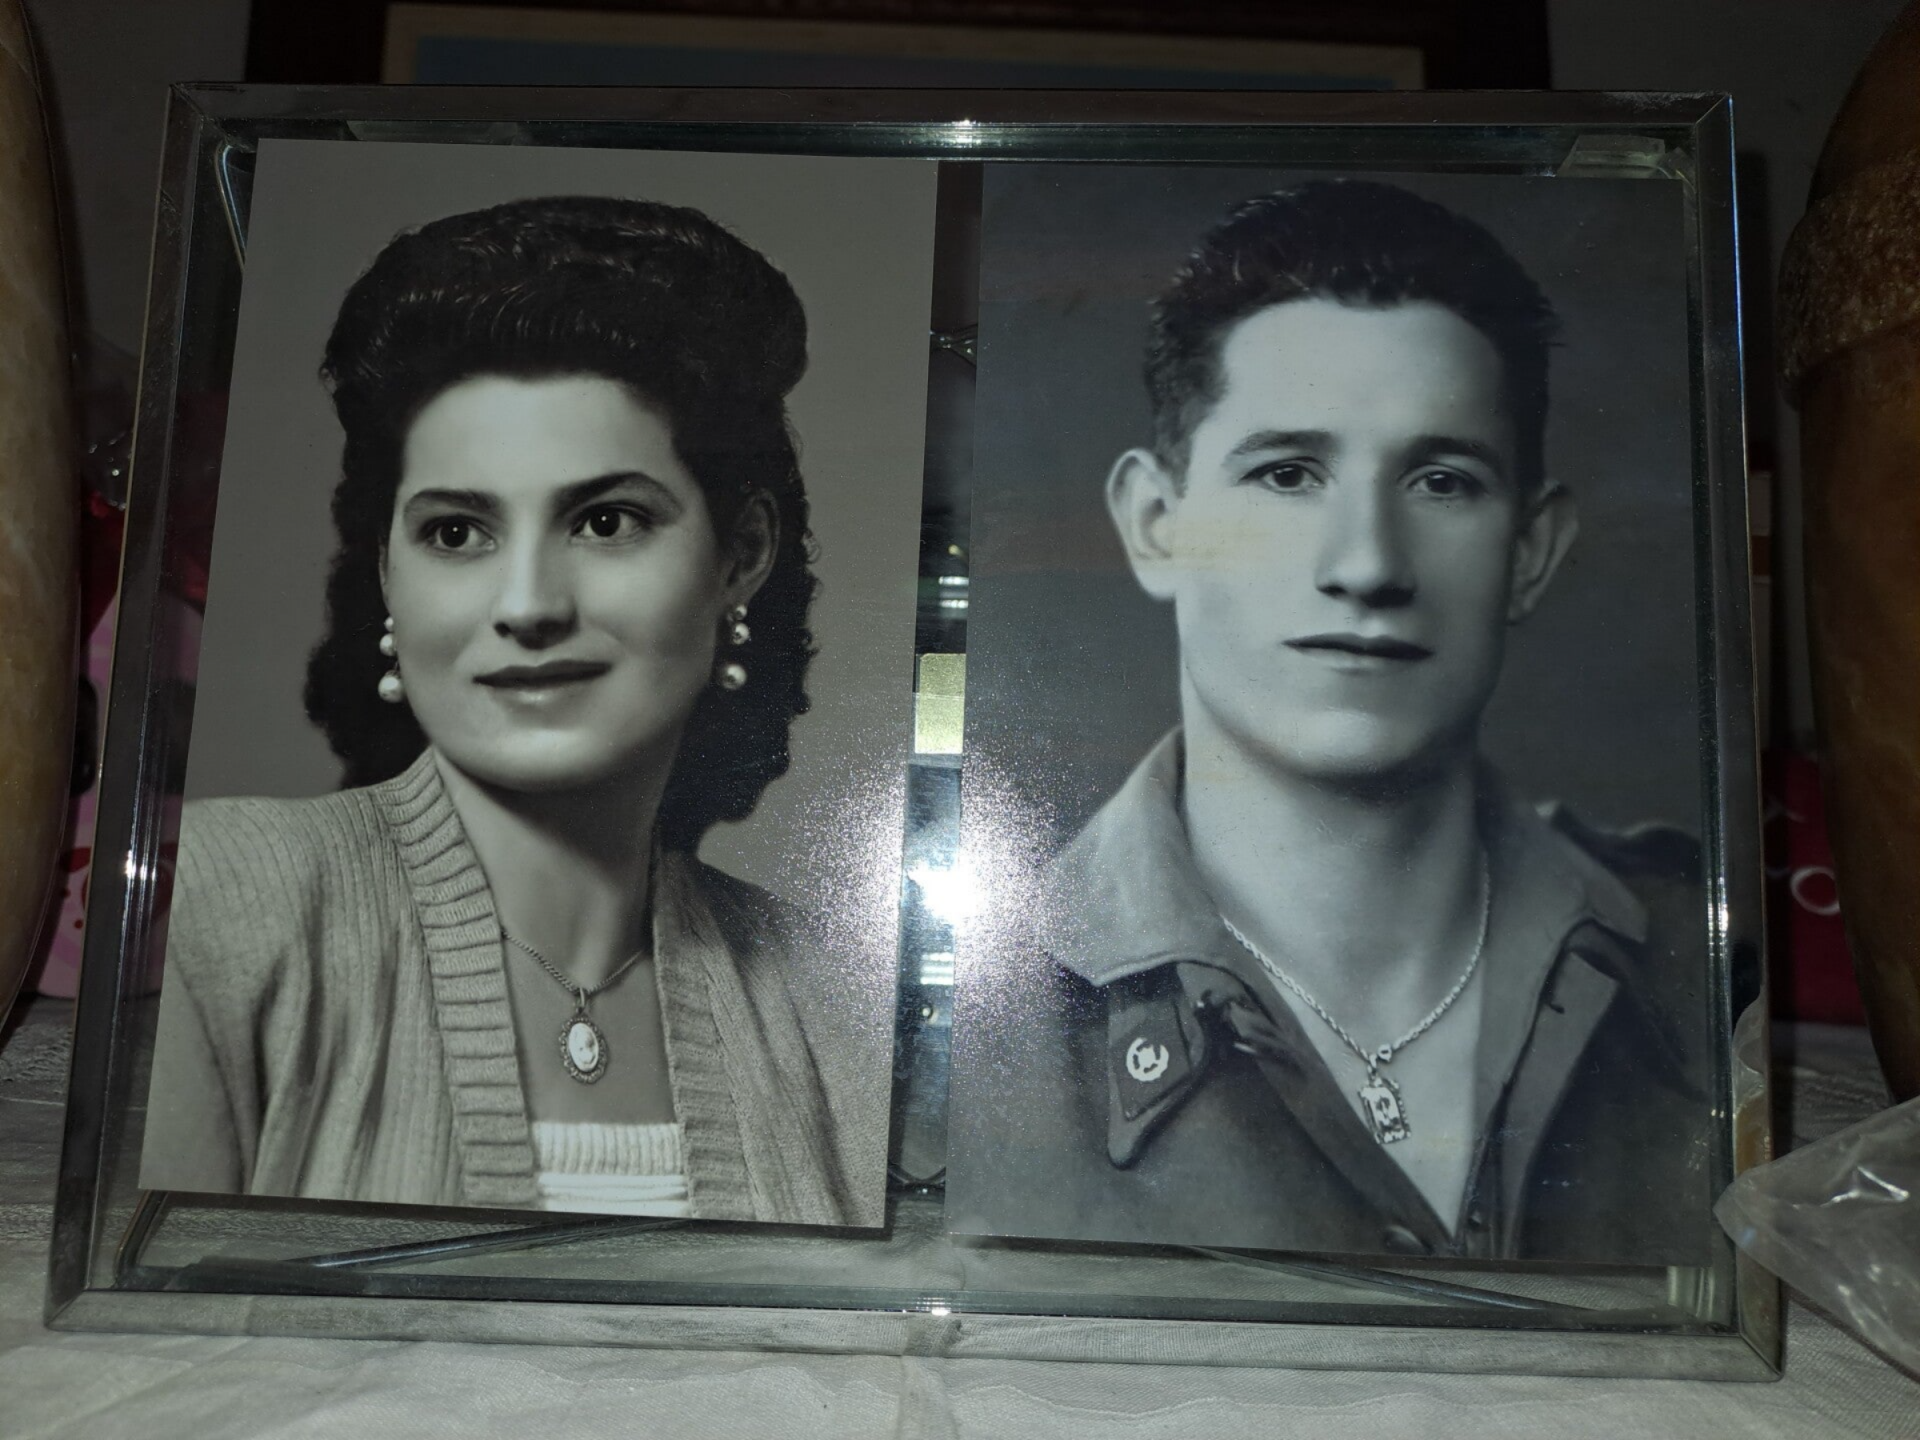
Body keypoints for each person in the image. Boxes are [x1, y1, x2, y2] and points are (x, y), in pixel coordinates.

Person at [948, 179, 1709, 1263]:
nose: (1367, 564)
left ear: (1531, 553)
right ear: (1158, 525)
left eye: (1441, 481)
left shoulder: (1704, 970)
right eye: (1288, 473)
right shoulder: (981, 1024)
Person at [142, 196, 886, 1226]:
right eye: (457, 533)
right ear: (388, 574)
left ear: (741, 554)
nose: (529, 605)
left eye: (606, 520)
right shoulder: (216, 905)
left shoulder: (835, 994)